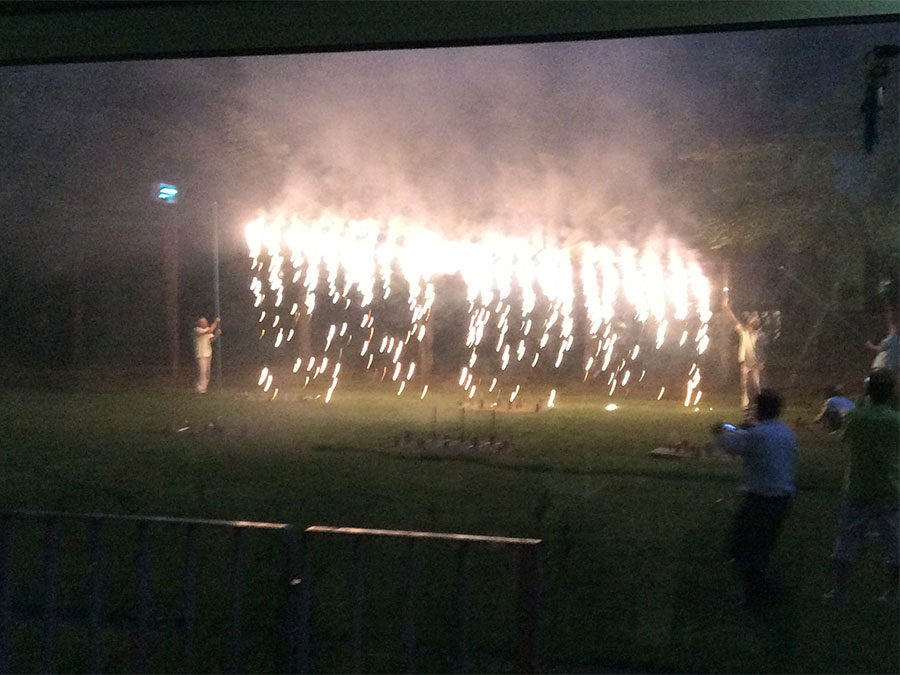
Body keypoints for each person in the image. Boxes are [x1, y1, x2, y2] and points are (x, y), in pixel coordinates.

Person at [713, 389, 797, 610]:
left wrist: (719, 431)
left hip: (761, 500)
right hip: (783, 498)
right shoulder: (787, 432)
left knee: (741, 548)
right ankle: (765, 592)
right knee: (761, 548)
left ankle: (760, 594)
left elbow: (730, 445)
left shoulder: (756, 435)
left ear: (760, 409)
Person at [823, 368, 899, 605]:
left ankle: (840, 591)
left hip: (858, 485)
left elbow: (843, 437)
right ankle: (892, 594)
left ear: (868, 391)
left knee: (847, 539)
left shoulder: (856, 417)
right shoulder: (896, 420)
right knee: (894, 543)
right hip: (889, 486)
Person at [722, 292, 765, 411]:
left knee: (757, 385)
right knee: (745, 384)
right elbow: (733, 320)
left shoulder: (760, 335)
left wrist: (762, 362)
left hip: (755, 362)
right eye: (751, 321)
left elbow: (762, 349)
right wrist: (726, 307)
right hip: (745, 362)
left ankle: (759, 403)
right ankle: (746, 403)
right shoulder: (744, 331)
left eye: (753, 322)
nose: (751, 323)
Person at [194, 316, 220, 393]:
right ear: (199, 323)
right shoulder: (197, 330)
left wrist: (216, 334)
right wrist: (216, 322)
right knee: (203, 372)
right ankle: (200, 388)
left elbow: (211, 339)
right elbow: (208, 331)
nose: (205, 323)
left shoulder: (207, 329)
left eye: (205, 321)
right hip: (201, 355)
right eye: (203, 322)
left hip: (208, 354)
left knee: (207, 373)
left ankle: (204, 387)